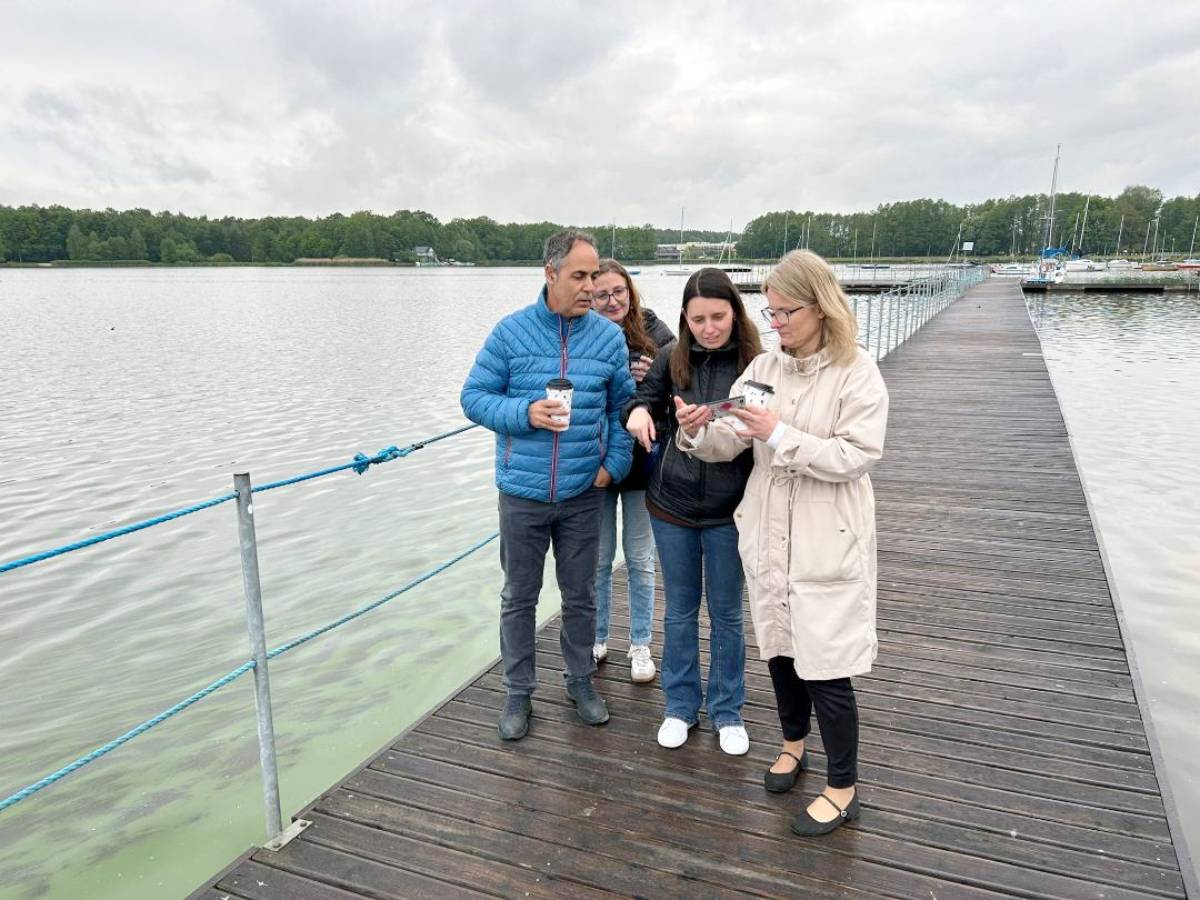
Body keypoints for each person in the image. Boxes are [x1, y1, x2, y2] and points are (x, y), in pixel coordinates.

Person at [676, 250, 888, 835]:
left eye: (786, 312)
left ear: (820, 306)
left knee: (827, 665)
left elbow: (857, 455)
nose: (777, 323)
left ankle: (843, 787)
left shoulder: (856, 371)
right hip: (768, 529)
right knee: (781, 649)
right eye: (770, 313)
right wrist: (696, 432)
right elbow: (730, 439)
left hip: (826, 535)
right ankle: (794, 744)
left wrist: (783, 434)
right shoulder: (766, 369)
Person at [460, 229, 636, 741]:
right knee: (519, 595)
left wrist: (614, 465)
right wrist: (524, 412)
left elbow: (621, 407)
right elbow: (473, 397)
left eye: (594, 275)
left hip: (584, 492)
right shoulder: (511, 334)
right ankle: (519, 692)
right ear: (550, 273)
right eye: (579, 276)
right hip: (522, 493)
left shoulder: (607, 338)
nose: (590, 286)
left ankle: (580, 681)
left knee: (580, 595)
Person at [624, 267, 761, 755]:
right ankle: (680, 706)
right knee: (680, 611)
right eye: (699, 318)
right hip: (672, 506)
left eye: (718, 317)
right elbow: (643, 399)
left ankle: (728, 710)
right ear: (684, 317)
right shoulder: (669, 358)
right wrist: (638, 412)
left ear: (735, 313)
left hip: (732, 509)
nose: (709, 328)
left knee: (726, 613)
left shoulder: (758, 364)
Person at [590, 259, 675, 683]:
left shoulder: (658, 334)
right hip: (600, 464)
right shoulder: (584, 333)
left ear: (630, 292)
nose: (611, 301)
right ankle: (598, 636)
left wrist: (652, 375)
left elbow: (680, 386)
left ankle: (640, 644)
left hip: (645, 463)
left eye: (618, 292)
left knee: (640, 558)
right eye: (602, 293)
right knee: (599, 559)